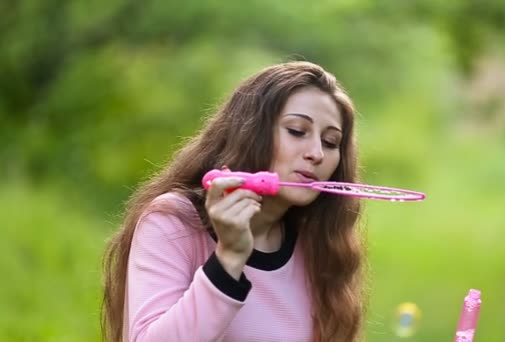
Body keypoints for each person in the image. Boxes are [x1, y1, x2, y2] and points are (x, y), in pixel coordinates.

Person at [102, 61, 368, 341]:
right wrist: (228, 259)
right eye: (297, 131)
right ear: (252, 133)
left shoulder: (317, 242)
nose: (316, 153)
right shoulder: (173, 221)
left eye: (330, 142)